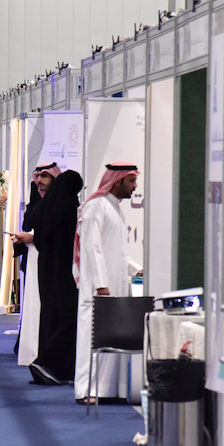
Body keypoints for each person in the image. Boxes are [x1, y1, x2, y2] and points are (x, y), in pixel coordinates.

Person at [74, 163, 141, 403]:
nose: (135, 186)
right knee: (90, 338)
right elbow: (92, 247)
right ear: (117, 181)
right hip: (97, 288)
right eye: (131, 181)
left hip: (114, 286)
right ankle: (85, 390)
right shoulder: (96, 206)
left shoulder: (115, 209)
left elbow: (118, 252)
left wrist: (137, 269)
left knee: (111, 337)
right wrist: (101, 283)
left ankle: (108, 390)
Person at [29, 169, 83, 385]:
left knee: (50, 314)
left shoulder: (45, 206)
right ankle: (47, 363)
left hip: (46, 268)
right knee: (68, 318)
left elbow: (38, 236)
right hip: (65, 270)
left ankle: (54, 368)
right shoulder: (69, 207)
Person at [12, 163, 60, 367]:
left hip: (53, 264)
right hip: (33, 261)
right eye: (38, 177)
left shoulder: (60, 204)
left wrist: (33, 237)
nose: (39, 181)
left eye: (45, 177)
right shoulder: (36, 204)